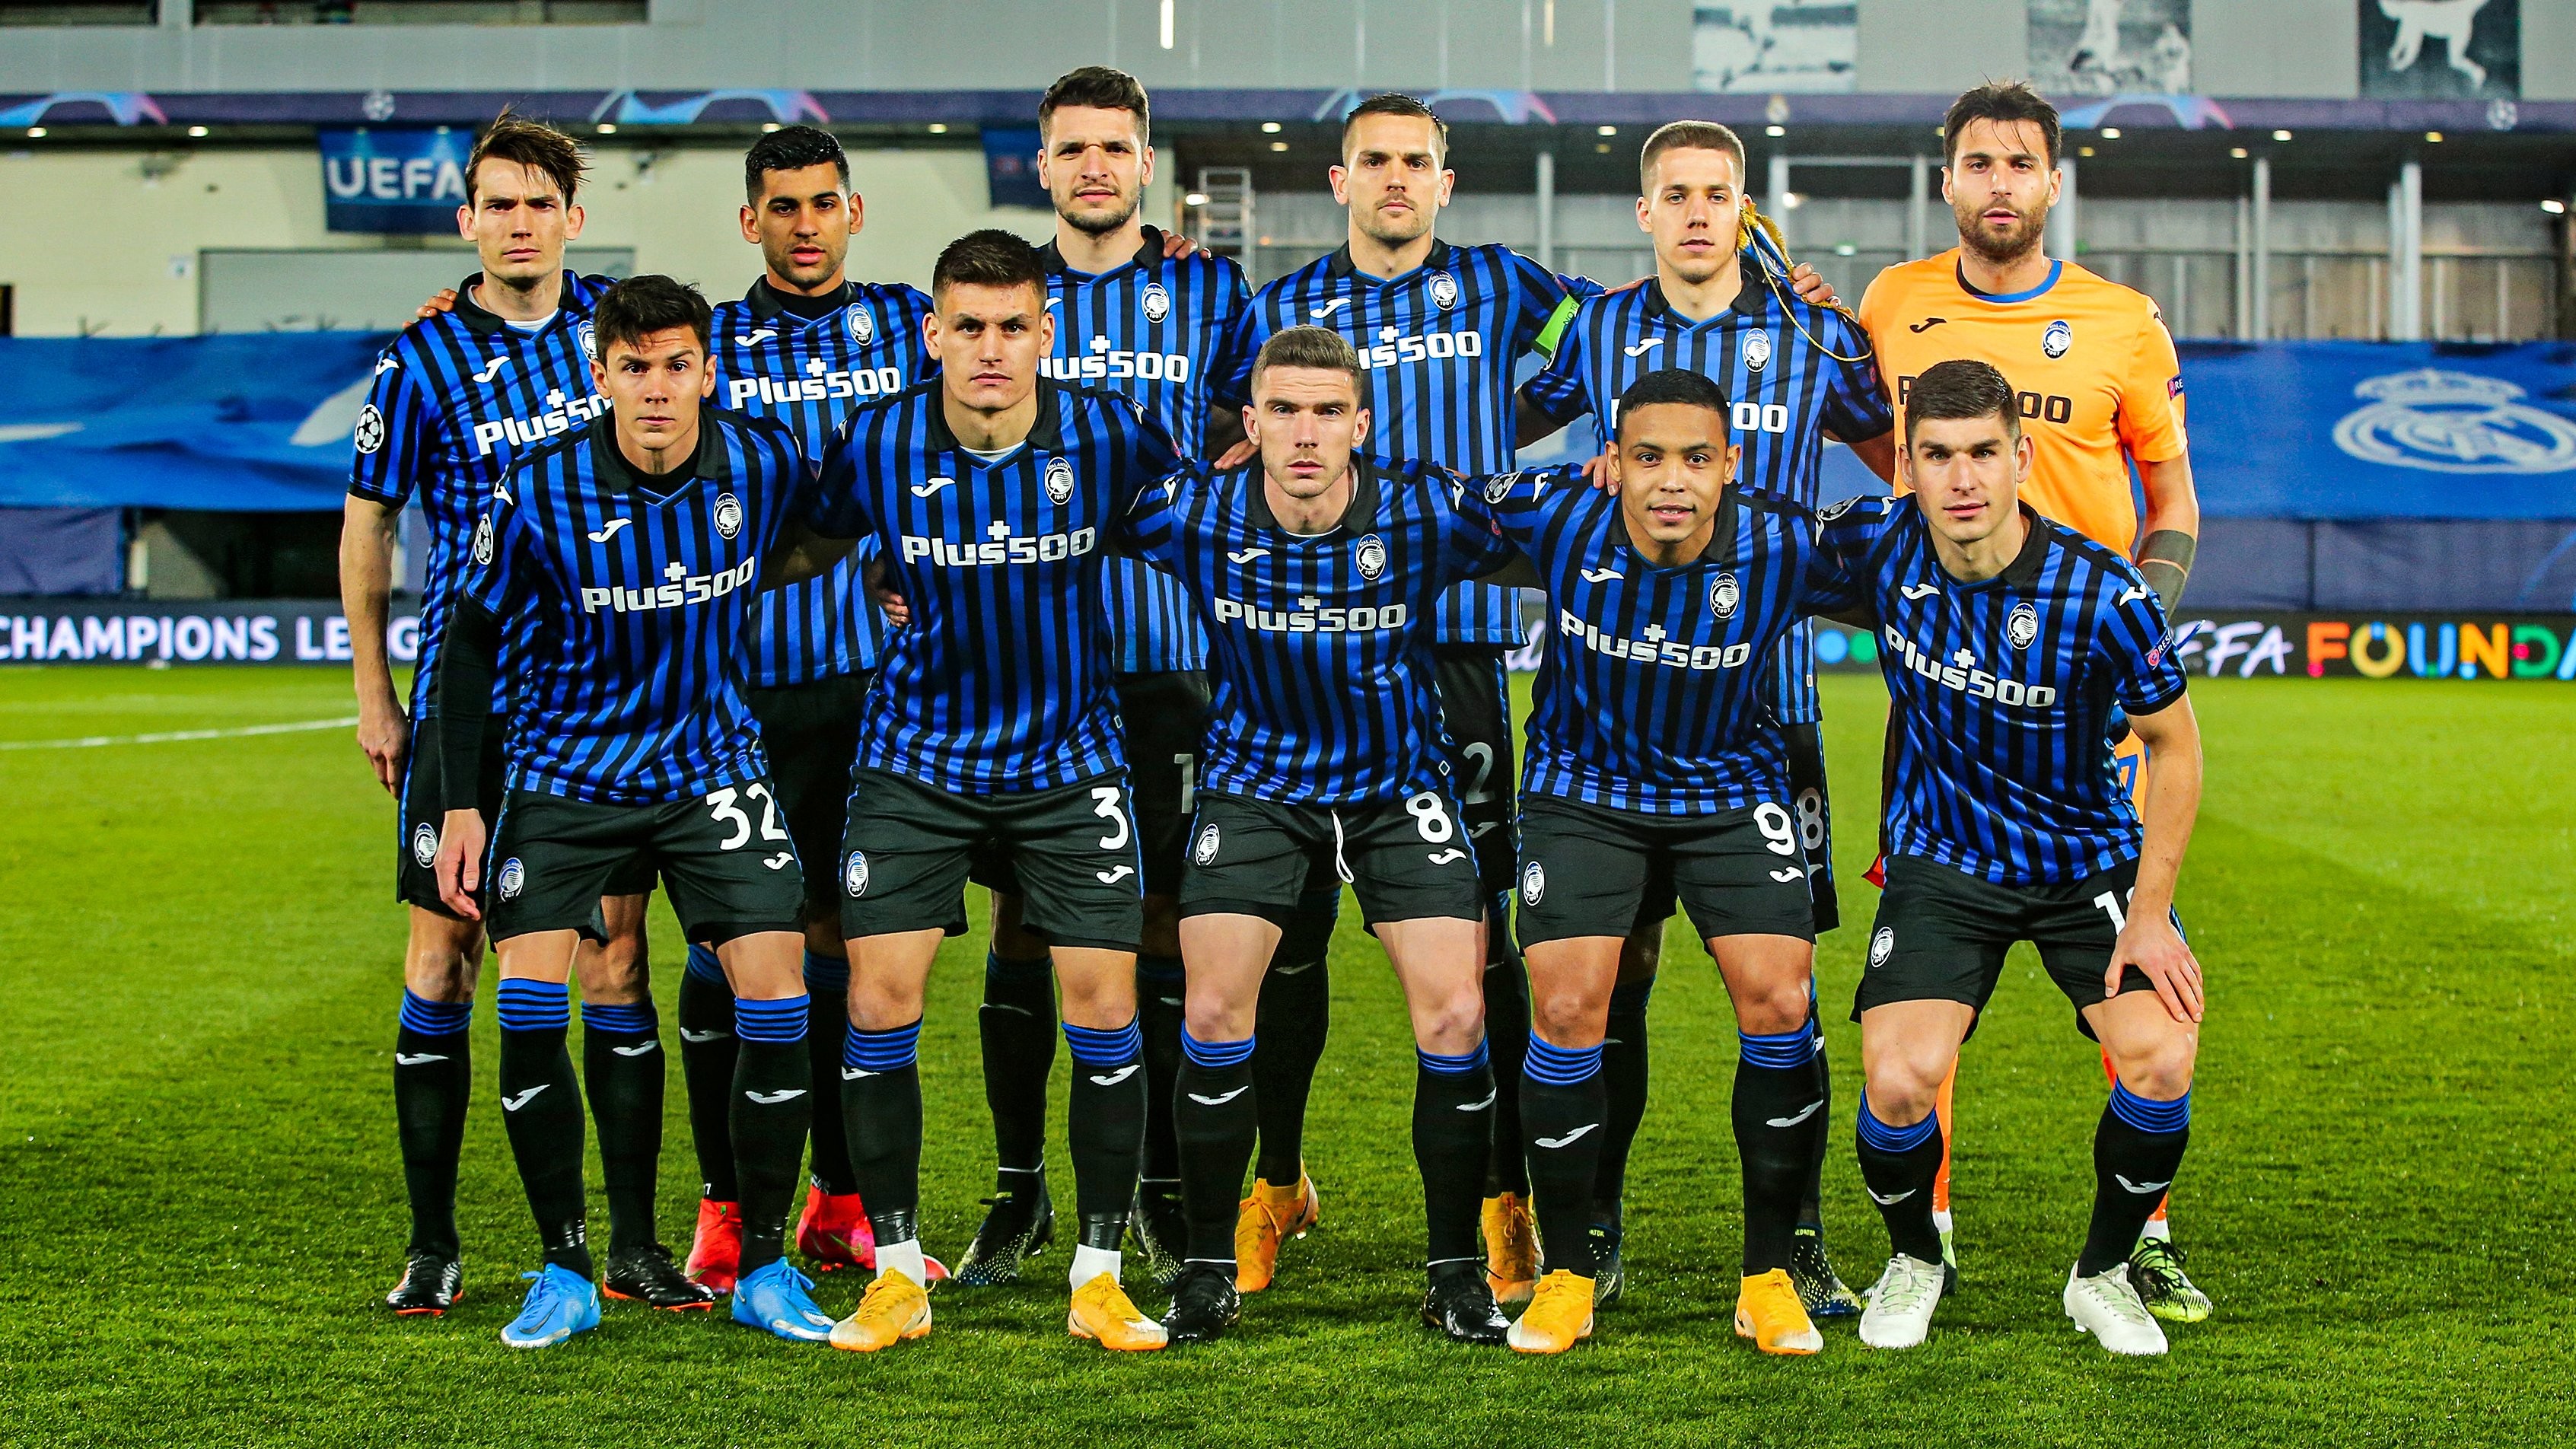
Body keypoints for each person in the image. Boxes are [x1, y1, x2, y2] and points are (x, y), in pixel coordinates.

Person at [1793, 79, 2209, 1319]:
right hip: (1945, 678)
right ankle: (1923, 1235)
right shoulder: (1892, 301)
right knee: (1923, 1007)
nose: (1997, 183)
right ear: (1947, 181)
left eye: (2018, 163)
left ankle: (2138, 1244)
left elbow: (2171, 500)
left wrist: (2133, 634)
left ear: (2051, 182)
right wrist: (1811, 334)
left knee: (2140, 1000)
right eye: (1976, 163)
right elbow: (1892, 457)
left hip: (2089, 688)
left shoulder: (2123, 322)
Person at [762, 229, 1183, 1354]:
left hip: (1070, 763)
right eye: (968, 327)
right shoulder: (878, 439)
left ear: (1045, 334)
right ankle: (897, 1274)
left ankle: (1098, 1277)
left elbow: (1198, 524)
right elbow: (800, 541)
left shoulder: (1108, 433)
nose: (989, 349)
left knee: (1105, 1008)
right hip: (917, 762)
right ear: (933, 332)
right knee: (877, 1003)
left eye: (1011, 328)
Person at [1218, 91, 1595, 1304]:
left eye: (1415, 161)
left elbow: (1610, 340)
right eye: (1372, 160)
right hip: (1303, 649)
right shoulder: (1275, 308)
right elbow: (1224, 436)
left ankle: (1499, 1197)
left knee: (1477, 934)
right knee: (1286, 938)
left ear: (1444, 181)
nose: (1394, 178)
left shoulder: (1502, 284)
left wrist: (1519, 430)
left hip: (1455, 648)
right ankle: (1277, 1180)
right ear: (1338, 181)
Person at [958, 66, 1328, 1295]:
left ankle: (1164, 1190)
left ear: (1144, 161)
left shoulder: (1209, 289)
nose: (1093, 167)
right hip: (1030, 664)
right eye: (1072, 148)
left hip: (1174, 654)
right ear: (1042, 165)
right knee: (1025, 919)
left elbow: (1252, 430)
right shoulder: (1002, 288)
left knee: (1170, 915)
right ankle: (1017, 1191)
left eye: (1113, 147)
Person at [1515, 118, 1893, 1317]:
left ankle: (1798, 1242)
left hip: (1765, 713)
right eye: (1672, 193)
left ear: (1744, 209)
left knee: (1782, 989)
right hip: (1617, 705)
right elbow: (1505, 423)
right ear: (1643, 212)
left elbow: (1894, 451)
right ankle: (1593, 1226)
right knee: (1608, 981)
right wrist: (1595, 474)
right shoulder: (1592, 328)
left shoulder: (1814, 331)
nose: (1693, 212)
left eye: (1714, 194)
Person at [340, 110, 708, 1317]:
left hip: (599, 706)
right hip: (469, 702)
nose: (519, 224)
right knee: (442, 959)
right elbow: (369, 525)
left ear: (572, 219)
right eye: (498, 204)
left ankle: (634, 1246)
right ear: (468, 221)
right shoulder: (420, 359)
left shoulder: (619, 335)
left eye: (539, 204)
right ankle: (433, 1243)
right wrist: (376, 696)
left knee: (615, 959)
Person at [426, 275, 838, 1348]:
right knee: (528, 1005)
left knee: (777, 992)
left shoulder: (763, 461)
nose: (657, 388)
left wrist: (890, 574)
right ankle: (564, 1268)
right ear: (600, 372)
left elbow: (843, 520)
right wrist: (463, 805)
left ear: (708, 370)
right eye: (634, 367)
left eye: (677, 365)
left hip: (711, 770)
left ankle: (763, 1267)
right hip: (568, 776)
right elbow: (466, 644)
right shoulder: (537, 486)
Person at [1126, 326, 1520, 1346]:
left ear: (1361, 424)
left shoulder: (1427, 509)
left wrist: (1613, 475)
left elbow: (1559, 528)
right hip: (1257, 786)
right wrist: (893, 576)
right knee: (1212, 1012)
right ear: (1251, 424)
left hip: (1397, 787)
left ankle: (1455, 1276)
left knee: (1456, 1016)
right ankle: (1206, 1271)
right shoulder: (1191, 512)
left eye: (1328, 412)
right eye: (1285, 411)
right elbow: (1060, 523)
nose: (1306, 433)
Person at [1482, 368, 1837, 1358]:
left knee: (1781, 1001)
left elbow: (1927, 555)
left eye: (1694, 458)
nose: (1670, 480)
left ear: (1731, 464)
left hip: (1730, 792)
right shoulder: (1559, 516)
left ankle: (1767, 1277)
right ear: (1612, 461)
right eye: (1646, 457)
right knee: (1566, 1010)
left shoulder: (1783, 541)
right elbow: (1419, 509)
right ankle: (1567, 1274)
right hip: (1583, 791)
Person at [673, 123, 938, 1294]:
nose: (805, 224)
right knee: (729, 949)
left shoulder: (906, 323)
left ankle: (839, 1199)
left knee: (844, 941)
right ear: (751, 222)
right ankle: (726, 1205)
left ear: (853, 211)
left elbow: (1019, 331)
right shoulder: (713, 343)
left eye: (823, 202)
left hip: (873, 697)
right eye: (782, 206)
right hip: (732, 698)